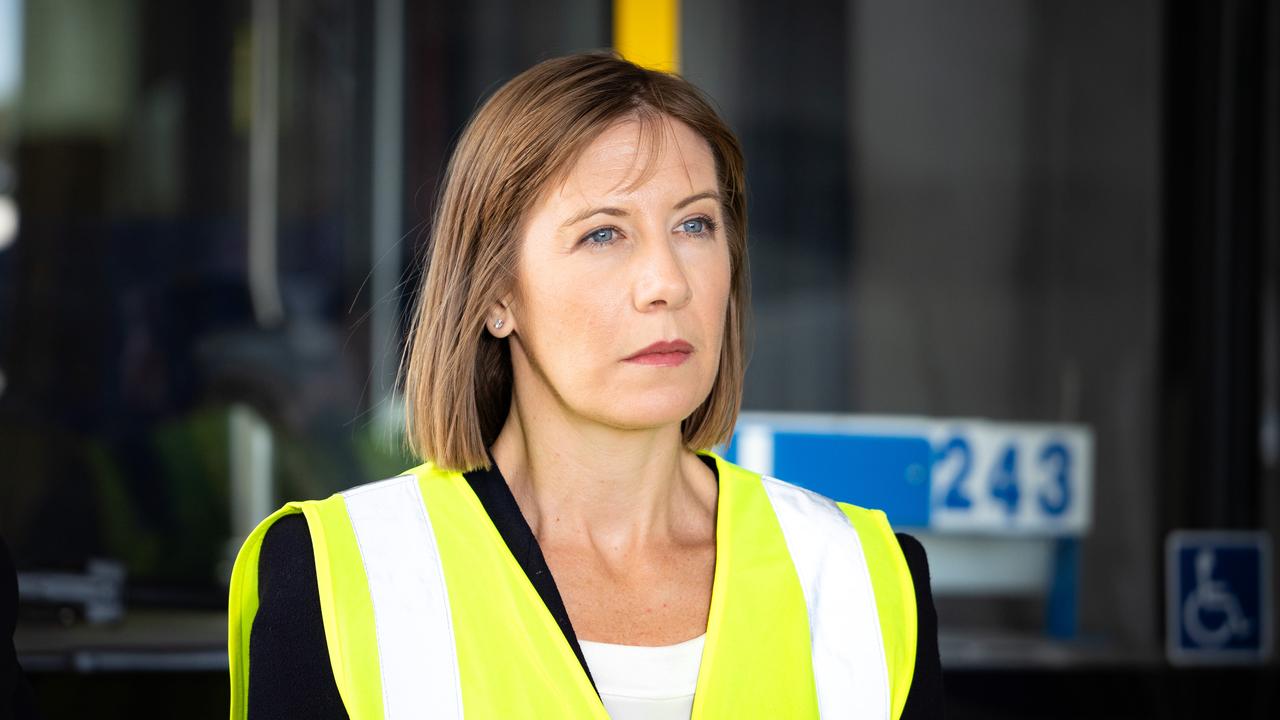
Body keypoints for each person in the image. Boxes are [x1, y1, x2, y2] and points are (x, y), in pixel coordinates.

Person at [228, 51, 942, 719]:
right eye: (604, 234)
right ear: (496, 295)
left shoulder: (866, 582)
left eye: (695, 224)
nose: (667, 282)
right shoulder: (336, 576)